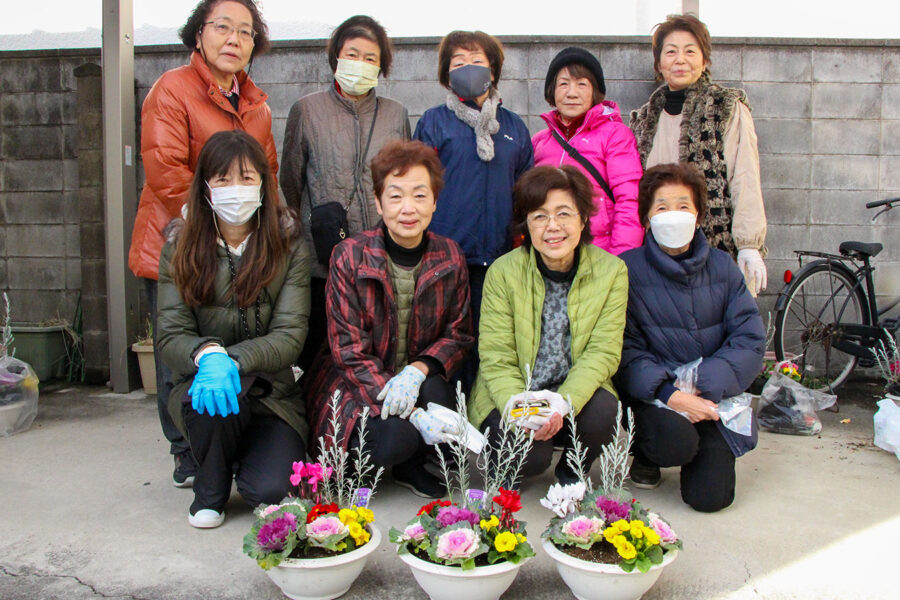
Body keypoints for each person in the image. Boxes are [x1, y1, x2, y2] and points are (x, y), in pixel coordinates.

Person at [128, 0, 278, 487]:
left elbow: (269, 176)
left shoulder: (256, 104)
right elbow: (165, 169)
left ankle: (225, 442)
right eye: (223, 28)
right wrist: (213, 227)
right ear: (198, 35)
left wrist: (271, 229)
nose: (234, 39)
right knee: (180, 355)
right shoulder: (172, 89)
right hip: (179, 244)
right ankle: (186, 453)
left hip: (241, 247)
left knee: (229, 347)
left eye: (246, 32)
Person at [156, 130, 311, 528]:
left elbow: (290, 335)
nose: (235, 190)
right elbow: (170, 334)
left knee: (274, 492)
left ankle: (238, 458)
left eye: (246, 178)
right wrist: (207, 355)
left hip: (271, 394)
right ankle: (211, 483)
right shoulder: (180, 245)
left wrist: (233, 359)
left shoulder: (289, 243)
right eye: (222, 179)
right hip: (203, 390)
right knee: (211, 397)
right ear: (205, 187)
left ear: (264, 183)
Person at [305, 140, 473, 499]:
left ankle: (413, 468)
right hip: (357, 380)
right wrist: (409, 411)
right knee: (395, 437)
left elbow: (458, 333)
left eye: (419, 195)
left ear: (434, 201)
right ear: (379, 203)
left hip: (416, 375)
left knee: (441, 402)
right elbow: (347, 349)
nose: (407, 208)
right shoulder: (348, 256)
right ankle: (357, 461)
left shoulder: (450, 255)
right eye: (395, 197)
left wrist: (418, 370)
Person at [617, 163, 765, 513]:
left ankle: (703, 449)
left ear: (698, 215)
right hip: (656, 396)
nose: (673, 216)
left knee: (711, 498)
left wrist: (707, 383)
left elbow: (749, 337)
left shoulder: (722, 266)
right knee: (675, 442)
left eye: (683, 206)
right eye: (662, 207)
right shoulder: (626, 269)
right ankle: (645, 453)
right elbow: (624, 348)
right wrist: (671, 394)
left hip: (713, 393)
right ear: (646, 217)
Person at [468, 166, 628, 485]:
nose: (552, 227)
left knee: (603, 413)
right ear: (526, 224)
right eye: (539, 216)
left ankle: (572, 467)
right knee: (527, 456)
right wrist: (518, 406)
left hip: (572, 389)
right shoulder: (503, 272)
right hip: (514, 390)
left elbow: (603, 352)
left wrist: (562, 403)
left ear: (583, 219)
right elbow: (496, 356)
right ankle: (521, 449)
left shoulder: (612, 271)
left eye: (563, 213)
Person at [281, 15, 411, 374]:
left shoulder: (396, 114)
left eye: (371, 58)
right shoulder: (306, 110)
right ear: (336, 56)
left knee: (376, 353)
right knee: (320, 354)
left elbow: (404, 179)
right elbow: (291, 180)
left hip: (380, 257)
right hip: (322, 257)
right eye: (353, 54)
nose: (361, 64)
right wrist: (310, 224)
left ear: (382, 66)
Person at [630, 14, 768, 296]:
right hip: (657, 255)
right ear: (659, 63)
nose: (680, 59)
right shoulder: (642, 120)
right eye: (671, 51)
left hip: (713, 249)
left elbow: (745, 176)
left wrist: (749, 244)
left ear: (704, 60)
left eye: (690, 51)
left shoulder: (726, 108)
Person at [413, 30, 534, 340]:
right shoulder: (433, 122)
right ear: (446, 74)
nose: (468, 67)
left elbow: (525, 190)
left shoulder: (514, 126)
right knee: (444, 337)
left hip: (499, 255)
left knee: (491, 339)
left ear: (492, 70)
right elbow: (419, 185)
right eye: (459, 62)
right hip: (445, 254)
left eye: (477, 60)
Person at [532, 47, 644, 255]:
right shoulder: (539, 141)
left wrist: (621, 260)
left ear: (595, 91)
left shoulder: (616, 135)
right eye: (563, 84)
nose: (572, 93)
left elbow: (629, 200)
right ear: (552, 91)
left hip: (599, 256)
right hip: (550, 258)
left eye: (582, 84)